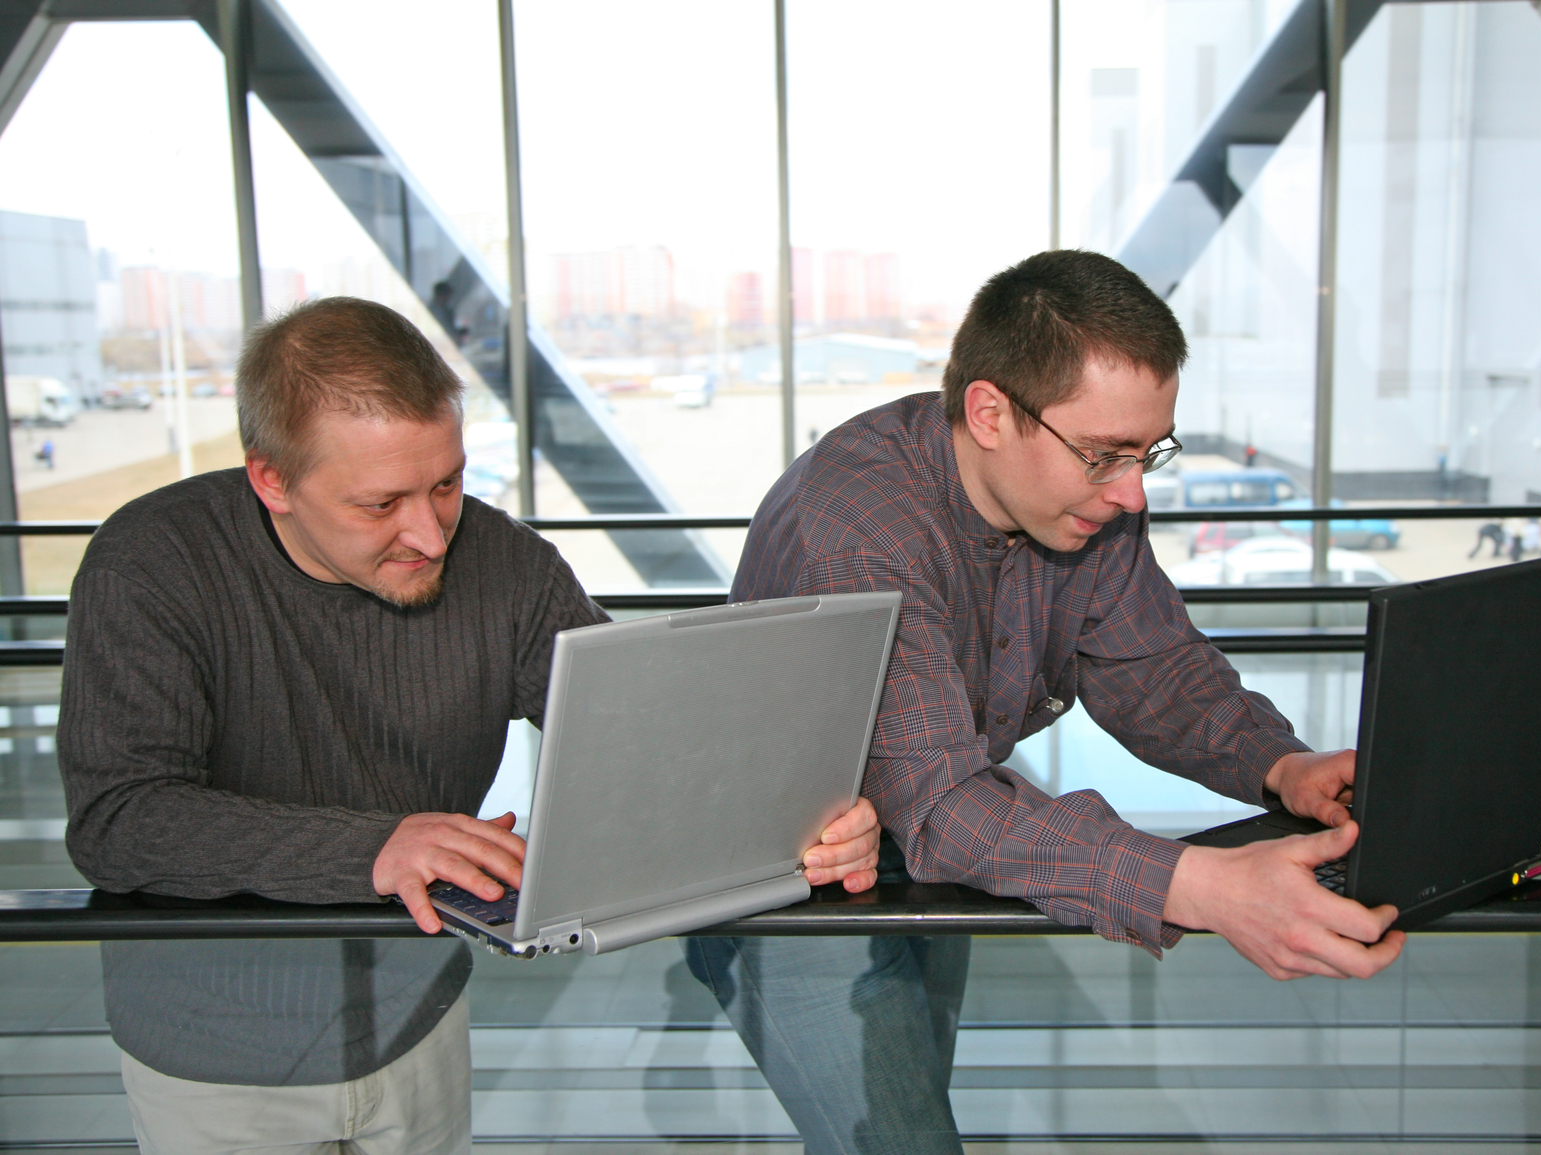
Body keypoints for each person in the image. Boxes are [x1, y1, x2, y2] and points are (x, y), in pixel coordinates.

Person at [57, 297, 879, 1155]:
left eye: (445, 484)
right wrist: (375, 847)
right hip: (215, 1060)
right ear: (272, 480)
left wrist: (810, 818)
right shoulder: (149, 563)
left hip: (420, 1020)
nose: (429, 533)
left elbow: (660, 747)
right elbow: (119, 820)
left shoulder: (507, 562)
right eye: (381, 503)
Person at [687, 250, 1405, 1153]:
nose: (1132, 492)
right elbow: (945, 805)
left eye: (1148, 453)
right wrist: (1204, 886)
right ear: (990, 413)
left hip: (931, 853)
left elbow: (1154, 667)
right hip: (787, 881)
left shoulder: (1083, 501)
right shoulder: (860, 529)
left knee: (908, 1122)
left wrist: (1282, 765)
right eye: (1103, 455)